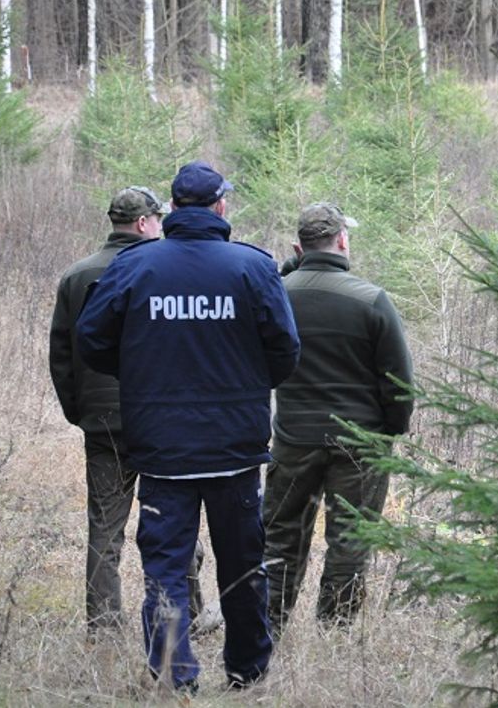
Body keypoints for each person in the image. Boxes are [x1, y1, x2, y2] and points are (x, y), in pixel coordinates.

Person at [76, 161, 300, 694]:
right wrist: (246, 384)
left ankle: (176, 679)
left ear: (173, 208)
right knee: (243, 566)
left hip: (163, 447)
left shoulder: (136, 265)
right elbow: (285, 349)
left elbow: (92, 339)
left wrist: (141, 370)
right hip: (235, 447)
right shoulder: (252, 267)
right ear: (221, 206)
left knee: (167, 568)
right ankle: (248, 673)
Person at [264, 202, 414, 632]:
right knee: (350, 540)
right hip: (361, 443)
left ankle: (268, 628)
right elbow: (399, 382)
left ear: (299, 246)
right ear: (343, 241)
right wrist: (390, 432)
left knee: (280, 537)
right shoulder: (371, 299)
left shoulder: (279, 294)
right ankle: (335, 633)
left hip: (293, 438)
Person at [48, 186, 168, 634]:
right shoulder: (161, 270)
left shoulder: (77, 276)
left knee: (105, 528)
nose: (160, 227)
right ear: (142, 224)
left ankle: (103, 626)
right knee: (174, 522)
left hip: (101, 422)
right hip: (157, 421)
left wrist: (78, 411)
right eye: (157, 219)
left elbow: (61, 352)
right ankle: (184, 614)